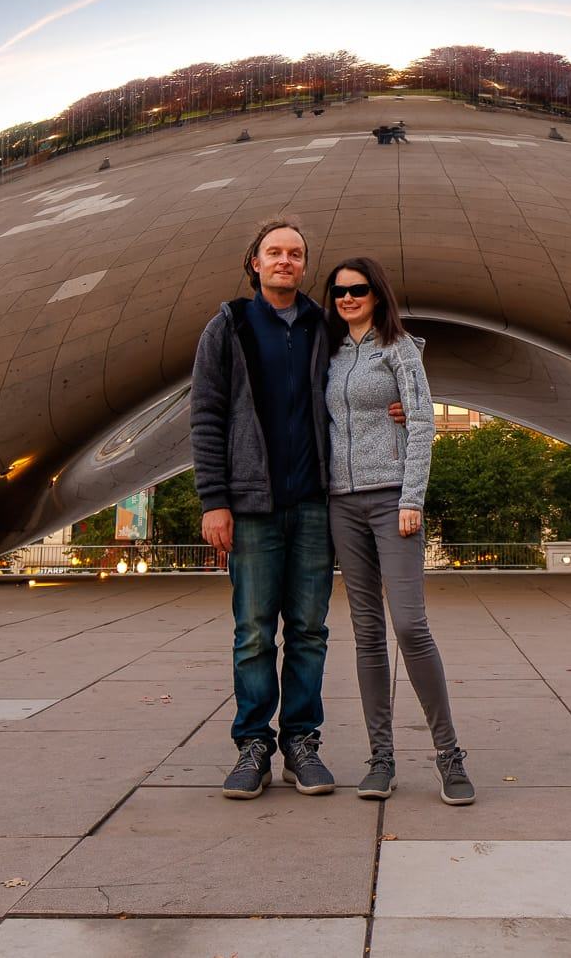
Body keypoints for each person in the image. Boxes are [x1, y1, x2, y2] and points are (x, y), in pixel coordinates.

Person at [190, 218, 342, 800]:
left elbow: (360, 390)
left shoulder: (322, 326)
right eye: (274, 252)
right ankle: (253, 744)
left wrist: (399, 409)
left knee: (309, 631)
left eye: (295, 254)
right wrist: (215, 501)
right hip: (251, 508)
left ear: (305, 266)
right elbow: (206, 417)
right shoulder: (227, 326)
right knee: (253, 632)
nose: (285, 261)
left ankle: (302, 743)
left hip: (311, 506)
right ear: (254, 262)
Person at [322, 256, 473, 806]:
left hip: (392, 501)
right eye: (338, 291)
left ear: (377, 295)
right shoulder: (329, 354)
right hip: (341, 504)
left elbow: (423, 419)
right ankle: (380, 758)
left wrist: (412, 498)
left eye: (358, 290)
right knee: (366, 634)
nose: (347, 299)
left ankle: (449, 755)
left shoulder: (399, 349)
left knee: (410, 626)